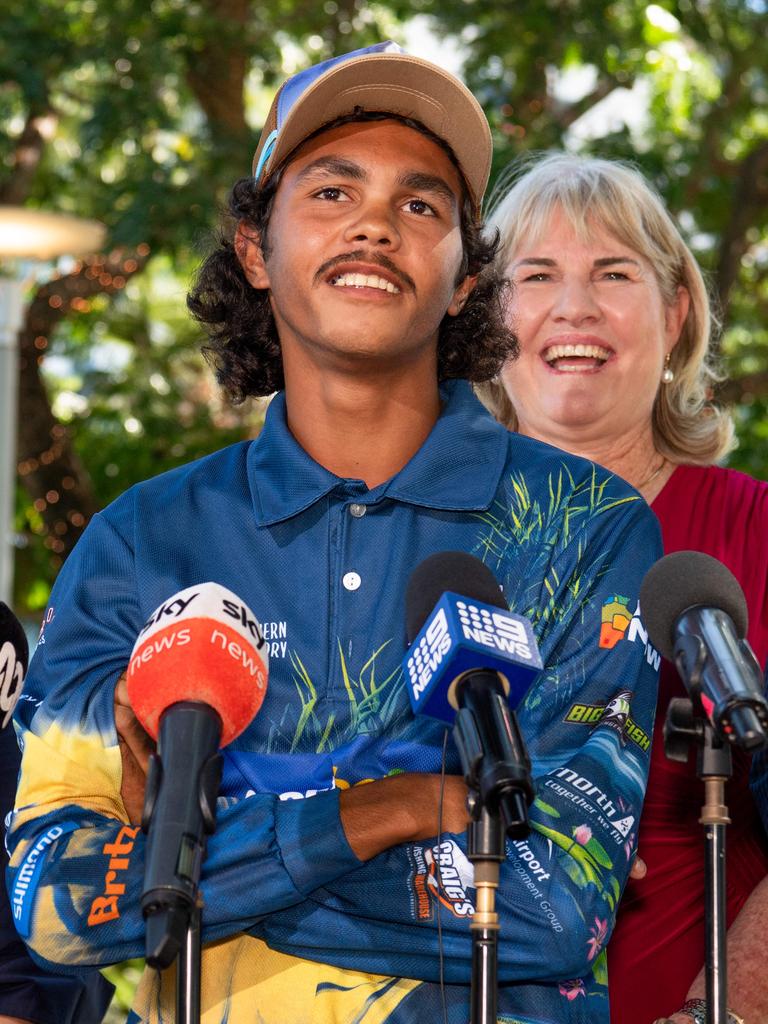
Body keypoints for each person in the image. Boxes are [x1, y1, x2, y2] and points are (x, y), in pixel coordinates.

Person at [7, 46, 661, 1024]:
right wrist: (383, 809)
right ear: (255, 250)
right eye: (331, 190)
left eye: (421, 205)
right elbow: (56, 901)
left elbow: (553, 903)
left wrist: (206, 845)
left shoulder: (588, 529)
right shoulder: (140, 539)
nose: (373, 223)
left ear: (464, 282)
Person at [480, 152, 768, 1024]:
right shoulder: (424, 543)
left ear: (676, 312)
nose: (575, 307)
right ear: (491, 317)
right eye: (536, 275)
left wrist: (724, 1010)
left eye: (613, 273)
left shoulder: (753, 531)